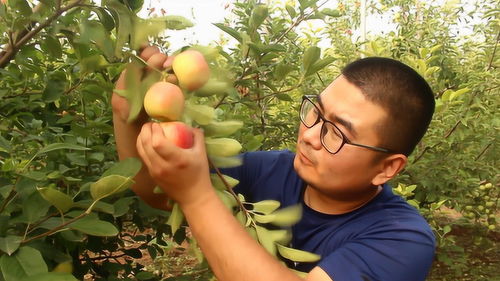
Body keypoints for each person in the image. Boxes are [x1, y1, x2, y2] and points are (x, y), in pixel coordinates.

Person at [112, 46, 436, 281]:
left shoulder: (403, 240)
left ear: (387, 168)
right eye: (315, 112)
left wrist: (197, 196)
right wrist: (127, 115)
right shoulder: (273, 169)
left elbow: (190, 194)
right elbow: (159, 193)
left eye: (336, 132)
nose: (309, 135)